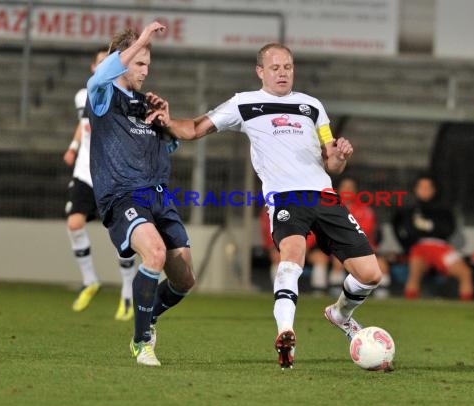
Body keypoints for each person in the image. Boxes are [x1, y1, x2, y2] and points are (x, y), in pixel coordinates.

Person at [147, 43, 383, 369]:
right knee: (293, 256)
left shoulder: (312, 106)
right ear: (260, 71)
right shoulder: (244, 103)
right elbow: (195, 129)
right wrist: (167, 122)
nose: (283, 73)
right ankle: (285, 333)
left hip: (325, 196)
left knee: (371, 275)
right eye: (275, 68)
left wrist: (340, 156)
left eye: (287, 67)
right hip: (285, 198)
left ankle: (340, 314)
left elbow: (332, 162)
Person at [87, 22, 195, 366]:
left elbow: (168, 146)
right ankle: (140, 341)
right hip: (123, 195)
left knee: (184, 280)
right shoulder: (103, 95)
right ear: (122, 59)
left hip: (159, 196)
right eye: (139, 63)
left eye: (148, 64)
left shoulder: (145, 103)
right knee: (155, 253)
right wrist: (144, 37)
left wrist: (165, 122)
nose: (146, 71)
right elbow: (99, 75)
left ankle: (148, 316)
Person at [63, 47, 137, 320]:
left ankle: (128, 292)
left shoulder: (121, 96)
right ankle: (90, 280)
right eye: (100, 63)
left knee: (123, 240)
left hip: (112, 176)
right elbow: (83, 123)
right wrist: (73, 146)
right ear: (94, 68)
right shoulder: (83, 96)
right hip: (85, 172)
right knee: (74, 223)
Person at [392, 174, 474, 300]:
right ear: (416, 189)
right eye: (422, 187)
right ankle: (410, 308)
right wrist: (406, 246)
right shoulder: (409, 210)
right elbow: (397, 226)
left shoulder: (443, 209)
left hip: (440, 247)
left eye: (428, 187)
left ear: (434, 189)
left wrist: (433, 231)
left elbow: (449, 229)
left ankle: (467, 310)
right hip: (420, 247)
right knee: (414, 274)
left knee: (465, 273)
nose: (425, 190)